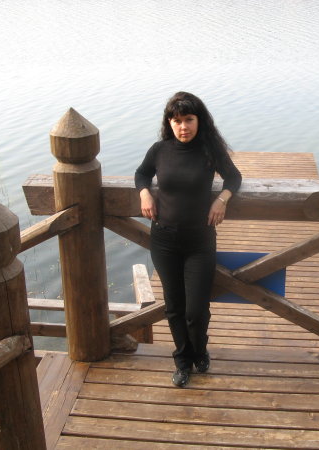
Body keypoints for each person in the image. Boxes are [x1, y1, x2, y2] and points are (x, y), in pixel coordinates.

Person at [135, 92, 242, 387]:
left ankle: (200, 350)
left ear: (199, 121)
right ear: (169, 123)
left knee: (196, 310)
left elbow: (234, 177)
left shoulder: (209, 150)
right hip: (163, 240)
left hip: (199, 241)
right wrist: (144, 193)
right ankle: (182, 362)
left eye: (189, 120)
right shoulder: (159, 150)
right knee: (174, 307)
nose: (183, 127)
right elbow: (142, 173)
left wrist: (222, 199)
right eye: (177, 121)